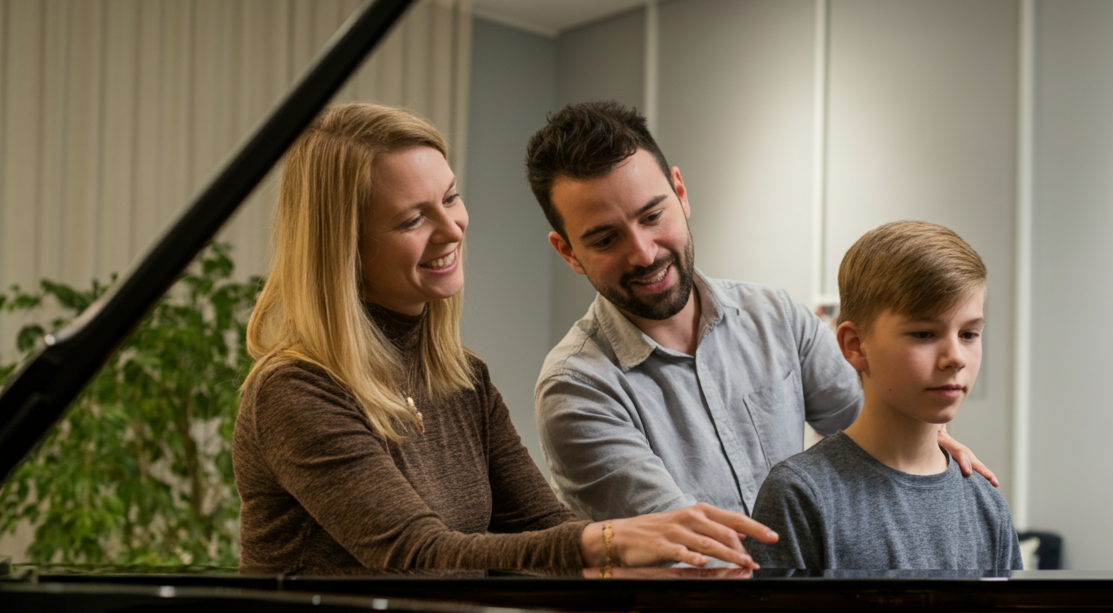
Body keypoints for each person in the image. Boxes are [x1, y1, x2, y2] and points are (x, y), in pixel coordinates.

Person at [234, 102, 776, 575]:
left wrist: (626, 570)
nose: (452, 230)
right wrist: (608, 541)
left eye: (450, 198)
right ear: (343, 248)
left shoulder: (464, 380)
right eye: (412, 220)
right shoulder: (296, 392)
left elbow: (541, 527)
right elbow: (415, 551)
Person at [526, 101, 997, 522]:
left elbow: (877, 437)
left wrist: (923, 444)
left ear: (680, 192)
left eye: (652, 216)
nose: (645, 253)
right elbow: (693, 553)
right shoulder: (576, 388)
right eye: (606, 239)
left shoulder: (777, 318)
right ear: (567, 251)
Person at [746, 221, 1022, 570]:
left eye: (969, 334)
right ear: (855, 346)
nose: (956, 357)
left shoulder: (987, 506)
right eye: (924, 334)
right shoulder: (800, 495)